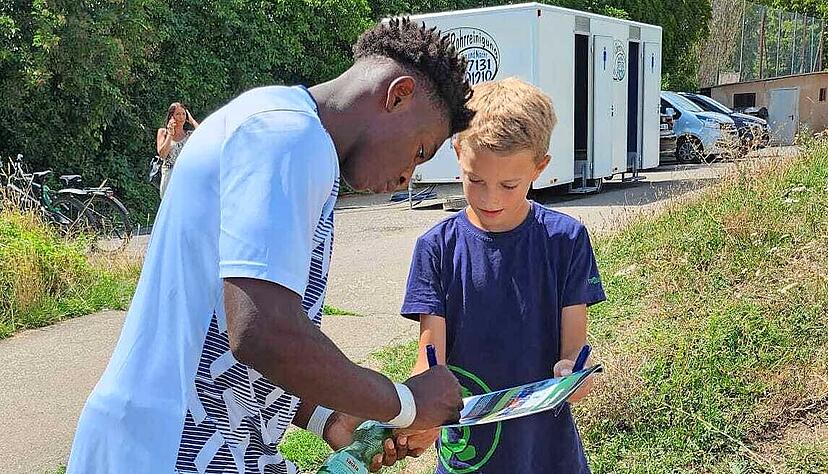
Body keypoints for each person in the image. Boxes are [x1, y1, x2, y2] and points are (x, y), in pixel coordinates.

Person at [68, 18, 473, 474]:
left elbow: (226, 338)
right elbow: (261, 332)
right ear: (397, 95)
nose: (407, 176)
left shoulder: (283, 127)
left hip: (187, 445)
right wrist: (404, 402)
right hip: (166, 448)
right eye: (420, 151)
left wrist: (331, 417)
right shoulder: (288, 138)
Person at [399, 78, 606, 473]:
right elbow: (430, 359)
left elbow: (574, 350)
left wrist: (574, 374)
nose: (490, 198)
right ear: (458, 152)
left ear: (540, 167)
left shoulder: (566, 240)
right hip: (469, 454)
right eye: (474, 179)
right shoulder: (436, 248)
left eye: (509, 185)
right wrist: (415, 410)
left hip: (546, 454)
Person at [156, 102, 199, 197]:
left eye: (183, 114)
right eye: (178, 114)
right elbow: (162, 155)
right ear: (172, 116)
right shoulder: (163, 132)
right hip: (169, 176)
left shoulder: (189, 135)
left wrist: (191, 120)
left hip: (187, 176)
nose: (181, 117)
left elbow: (202, 134)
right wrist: (170, 134)